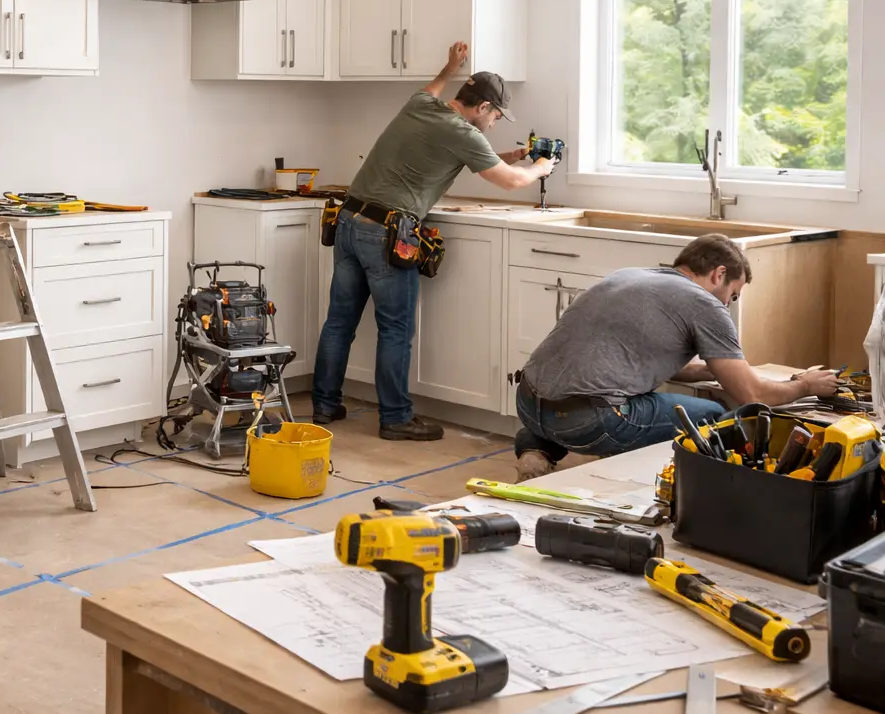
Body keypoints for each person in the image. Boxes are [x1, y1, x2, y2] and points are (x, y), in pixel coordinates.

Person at [313, 42, 555, 440]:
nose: (494, 123)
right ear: (482, 108)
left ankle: (324, 405)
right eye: (495, 115)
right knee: (395, 329)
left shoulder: (420, 106)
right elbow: (511, 183)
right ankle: (395, 418)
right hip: (388, 233)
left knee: (339, 322)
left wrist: (450, 67)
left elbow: (436, 95)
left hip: (350, 220)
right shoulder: (464, 134)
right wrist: (542, 166)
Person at [513, 234, 841, 480]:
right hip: (590, 421)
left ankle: (535, 450)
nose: (729, 303)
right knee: (712, 416)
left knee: (578, 391)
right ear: (718, 274)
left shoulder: (629, 275)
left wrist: (706, 371)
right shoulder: (705, 304)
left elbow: (637, 358)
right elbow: (751, 395)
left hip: (528, 405)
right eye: (733, 294)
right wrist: (806, 384)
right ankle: (642, 481)